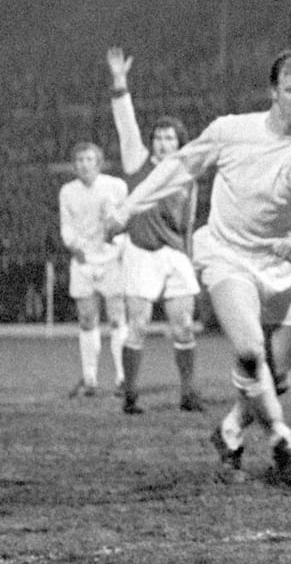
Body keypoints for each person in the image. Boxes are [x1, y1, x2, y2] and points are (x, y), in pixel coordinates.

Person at [106, 49, 291, 487]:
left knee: (276, 378)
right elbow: (178, 168)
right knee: (249, 351)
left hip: (286, 266)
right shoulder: (231, 132)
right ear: (273, 92)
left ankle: (231, 431)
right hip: (227, 255)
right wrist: (127, 209)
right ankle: (283, 441)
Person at [106, 47, 203, 414]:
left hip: (174, 254)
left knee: (183, 328)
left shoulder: (187, 175)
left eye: (169, 139)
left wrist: (189, 258)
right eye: (158, 138)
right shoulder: (138, 161)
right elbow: (125, 122)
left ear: (179, 143)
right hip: (141, 252)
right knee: (139, 326)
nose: (162, 143)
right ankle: (130, 394)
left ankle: (188, 392)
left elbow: (189, 222)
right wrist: (120, 82)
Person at [60, 142, 128, 398]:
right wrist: (75, 247)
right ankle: (90, 379)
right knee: (87, 319)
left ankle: (123, 379)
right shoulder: (67, 191)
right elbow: (66, 227)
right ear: (74, 164)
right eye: (79, 160)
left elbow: (125, 220)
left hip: (111, 260)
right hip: (83, 260)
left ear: (98, 162)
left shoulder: (117, 186)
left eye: (89, 159)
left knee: (117, 318)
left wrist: (117, 243)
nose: (84, 164)